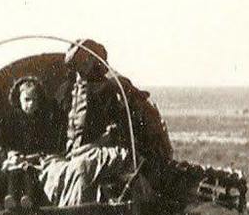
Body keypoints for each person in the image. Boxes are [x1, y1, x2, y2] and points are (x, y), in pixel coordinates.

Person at [51, 39, 171, 206]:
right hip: (77, 151)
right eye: (78, 65)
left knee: (82, 170)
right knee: (55, 169)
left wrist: (103, 140)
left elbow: (124, 126)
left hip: (109, 149)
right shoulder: (69, 90)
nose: (81, 70)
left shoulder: (112, 88)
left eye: (85, 63)